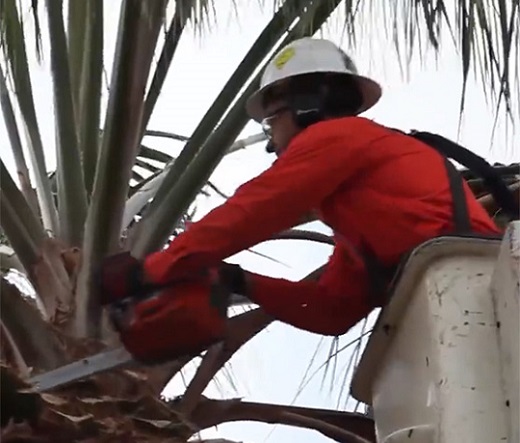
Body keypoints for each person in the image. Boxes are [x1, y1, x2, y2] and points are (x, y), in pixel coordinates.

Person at [126, 38, 502, 337]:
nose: (272, 141)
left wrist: (148, 271)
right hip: (457, 300)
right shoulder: (362, 219)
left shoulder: (337, 136)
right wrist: (238, 279)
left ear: (305, 104)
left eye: (271, 121)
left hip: (474, 286)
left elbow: (256, 208)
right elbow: (331, 312)